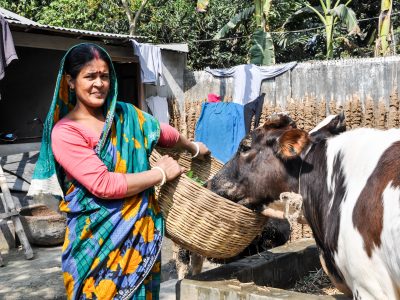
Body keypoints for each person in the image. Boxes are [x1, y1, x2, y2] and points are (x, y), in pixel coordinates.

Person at [29, 43, 210, 299]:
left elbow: (163, 133)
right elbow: (103, 184)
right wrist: (159, 174)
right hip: (95, 244)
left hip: (140, 237)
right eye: (90, 76)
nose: (99, 84)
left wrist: (193, 147)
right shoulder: (66, 132)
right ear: (70, 81)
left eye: (104, 76)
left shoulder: (126, 115)